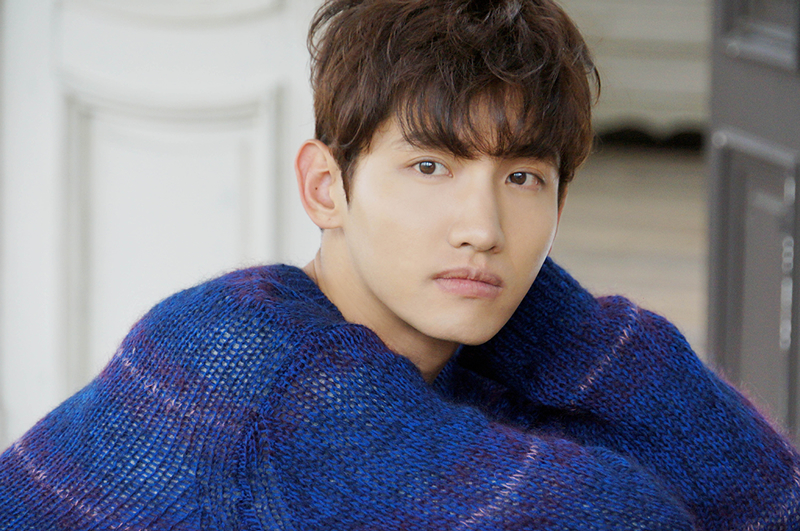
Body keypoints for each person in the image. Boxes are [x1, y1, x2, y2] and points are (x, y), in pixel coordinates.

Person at [1, 0, 798, 528]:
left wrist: (576, 332)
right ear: (326, 186)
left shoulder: (467, 358)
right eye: (430, 167)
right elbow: (623, 518)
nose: (482, 228)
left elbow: (771, 501)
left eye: (523, 177)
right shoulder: (251, 360)